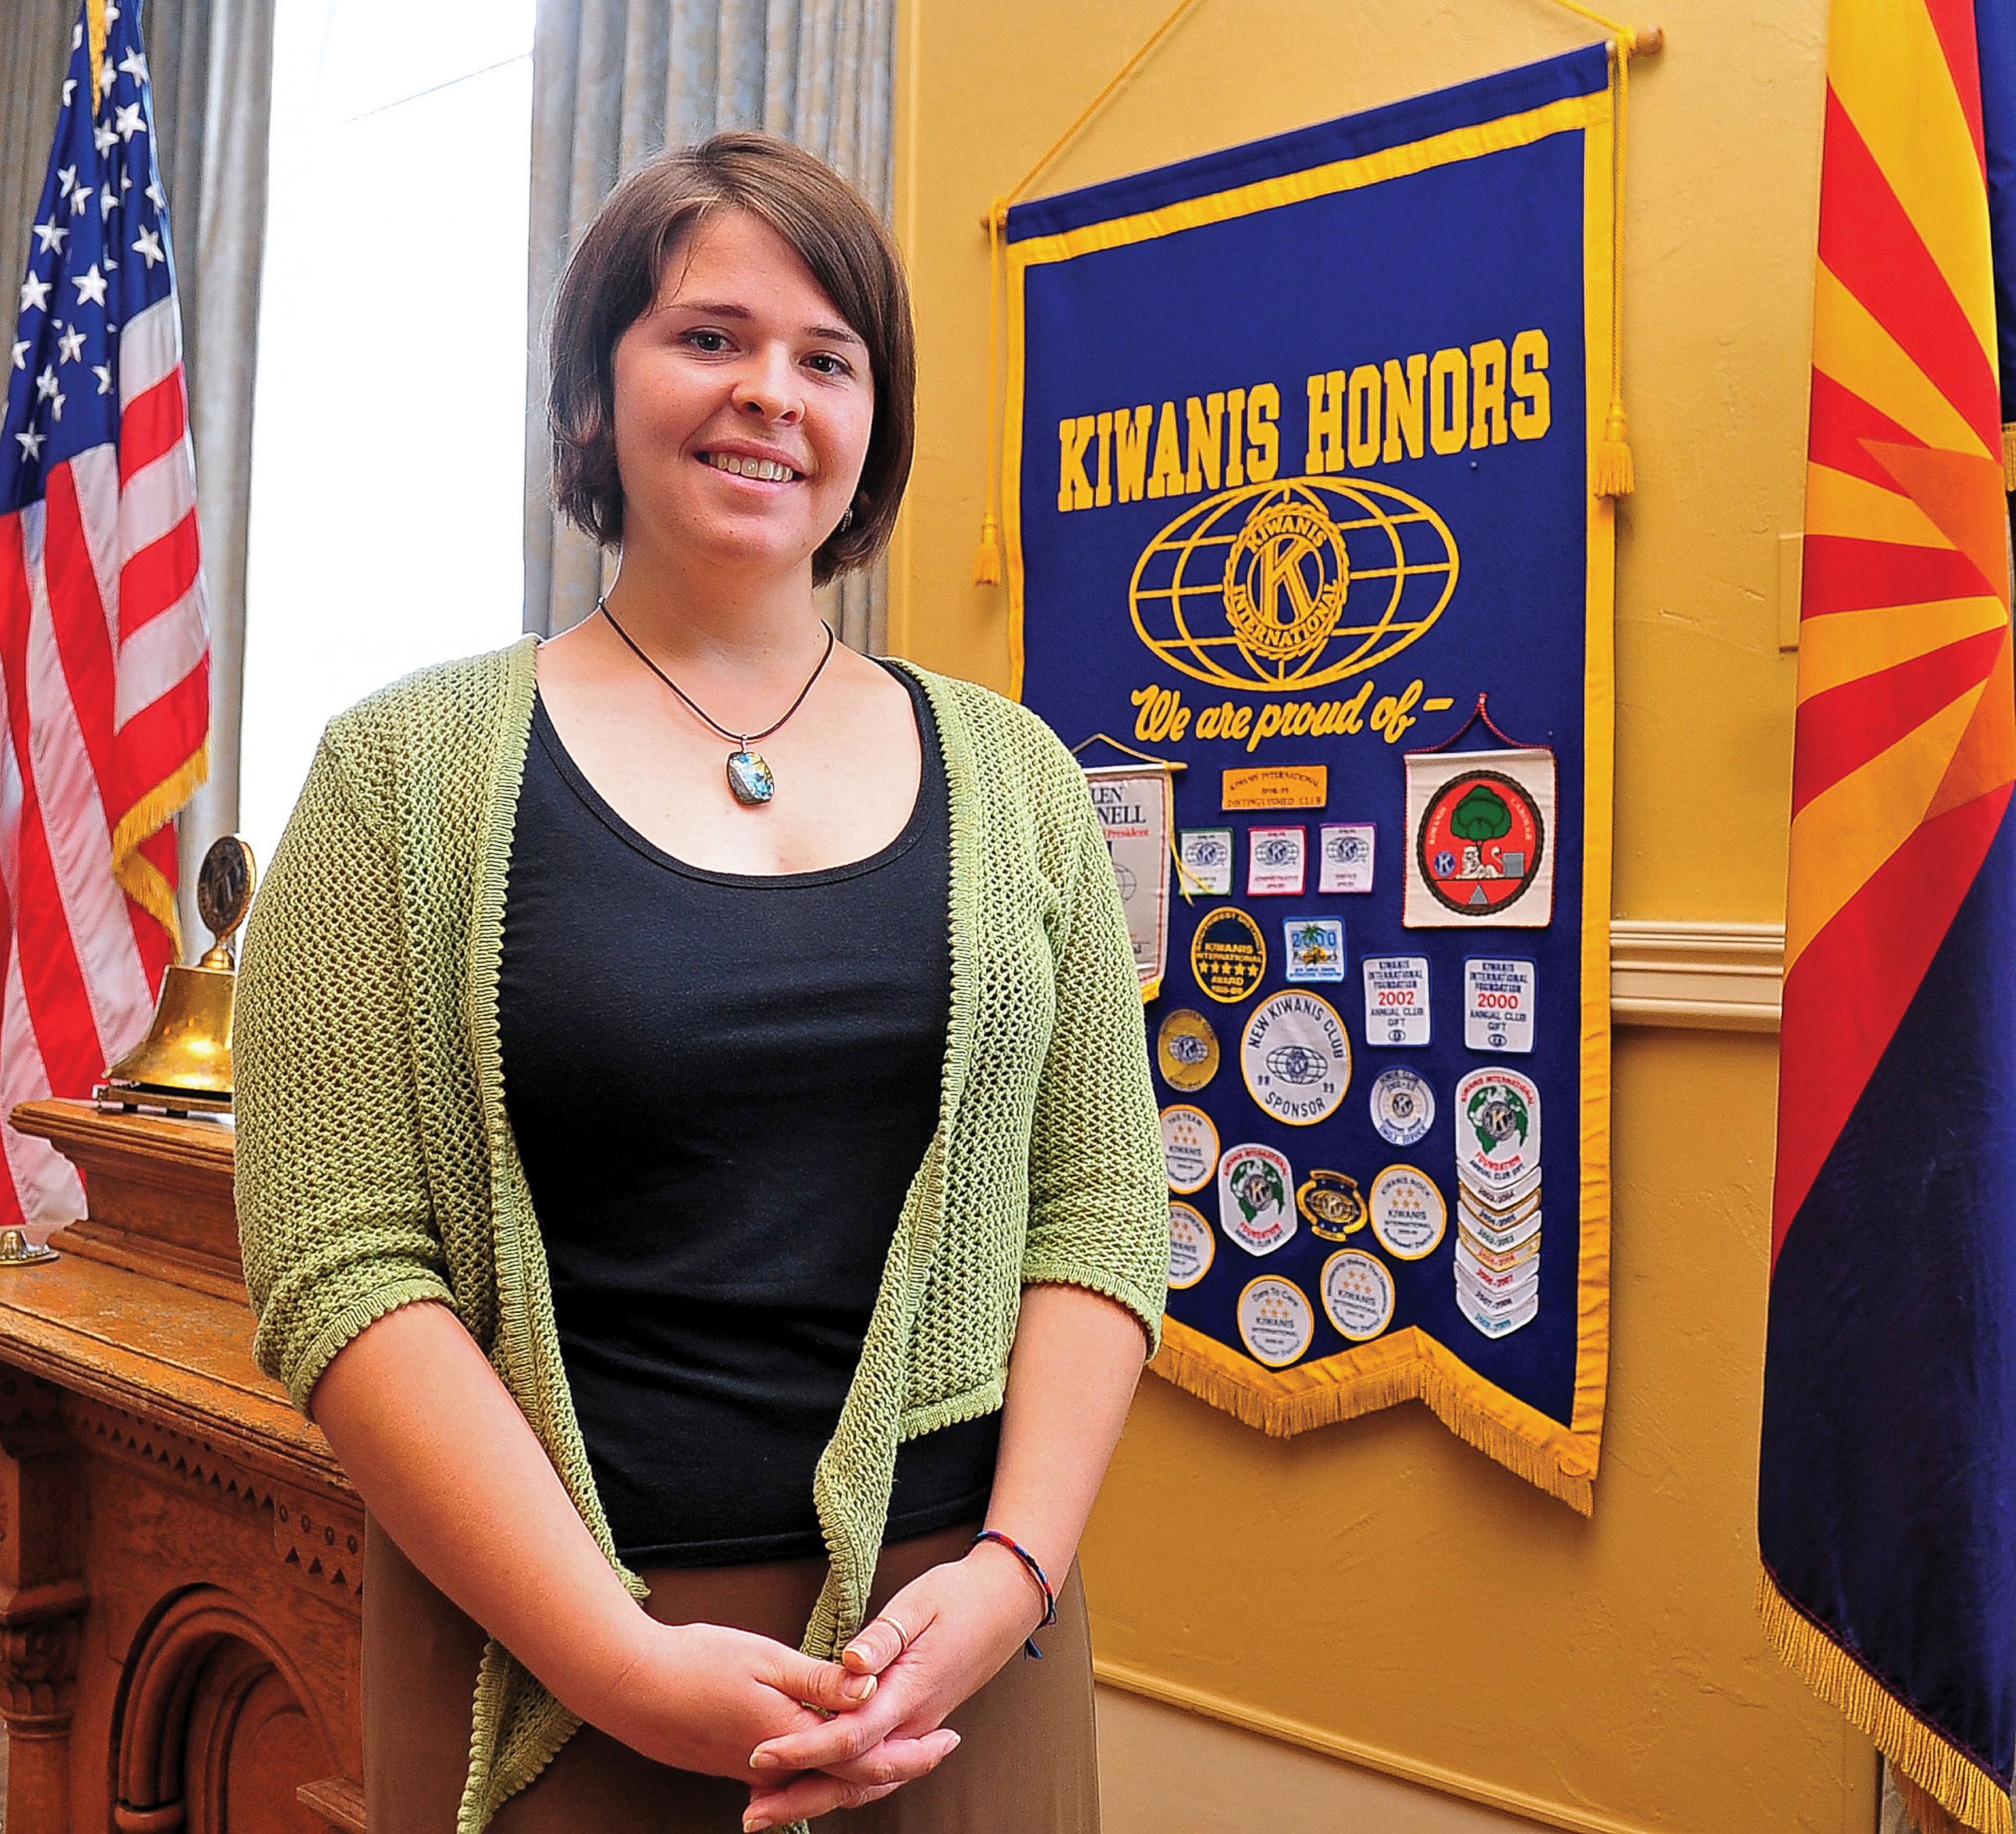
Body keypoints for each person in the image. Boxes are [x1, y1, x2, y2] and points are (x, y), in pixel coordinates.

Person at [233, 131, 1168, 1834]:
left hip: (954, 1665)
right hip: (553, 1667)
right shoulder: (399, 774)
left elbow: (1098, 1214)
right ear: (596, 391)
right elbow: (341, 1262)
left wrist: (1017, 1575)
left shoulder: (1021, 775)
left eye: (829, 358)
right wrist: (614, 1658)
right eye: (710, 338)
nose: (770, 396)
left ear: (873, 420)